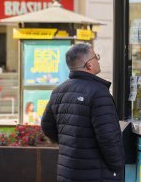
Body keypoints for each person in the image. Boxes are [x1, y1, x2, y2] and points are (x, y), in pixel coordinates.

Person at [41, 43, 124, 181]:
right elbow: (108, 138)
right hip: (96, 174)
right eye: (96, 57)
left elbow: (47, 127)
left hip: (67, 172)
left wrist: (70, 143)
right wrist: (118, 166)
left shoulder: (58, 91)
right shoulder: (99, 93)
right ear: (89, 65)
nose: (98, 59)